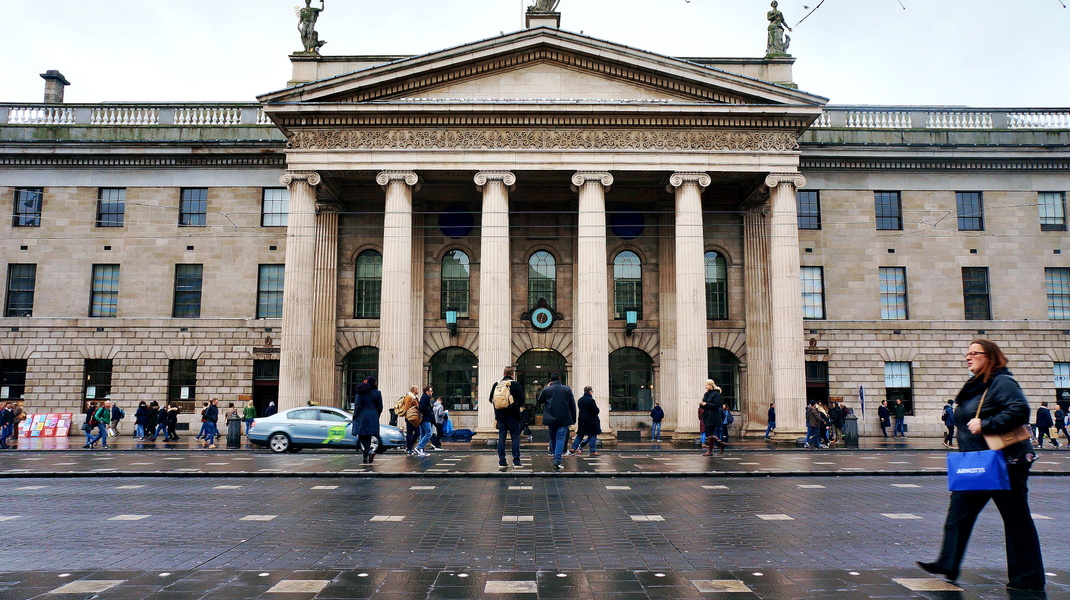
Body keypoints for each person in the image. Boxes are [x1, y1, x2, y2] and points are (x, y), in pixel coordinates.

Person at [917, 339, 1045, 592]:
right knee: (958, 514)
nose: (968, 357)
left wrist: (987, 424)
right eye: (967, 353)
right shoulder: (976, 385)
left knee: (1016, 519)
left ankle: (1028, 578)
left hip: (1005, 462)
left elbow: (1019, 410)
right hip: (976, 461)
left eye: (974, 353)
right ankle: (948, 563)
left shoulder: (1002, 382)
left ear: (990, 357)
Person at [538, 372, 576, 470]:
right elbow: (572, 405)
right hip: (564, 419)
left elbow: (539, 400)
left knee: (553, 438)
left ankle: (555, 456)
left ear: (550, 380)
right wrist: (574, 419)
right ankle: (557, 460)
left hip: (550, 419)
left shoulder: (547, 390)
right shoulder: (567, 389)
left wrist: (546, 388)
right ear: (559, 379)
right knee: (560, 439)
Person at [490, 366, 525, 471]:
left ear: (503, 374)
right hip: (513, 415)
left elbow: (490, 399)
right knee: (515, 437)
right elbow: (522, 399)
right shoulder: (515, 384)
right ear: (512, 374)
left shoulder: (496, 384)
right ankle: (516, 462)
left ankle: (502, 462)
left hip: (500, 416)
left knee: (501, 437)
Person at [351, 376, 383, 464]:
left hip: (362, 415)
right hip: (373, 415)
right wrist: (376, 415)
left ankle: (368, 451)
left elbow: (358, 405)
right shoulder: (377, 393)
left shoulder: (360, 392)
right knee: (368, 435)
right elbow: (380, 407)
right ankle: (365, 456)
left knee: (361, 435)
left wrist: (355, 415)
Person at [569, 386, 601, 456]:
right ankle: (592, 450)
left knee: (580, 434)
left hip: (582, 418)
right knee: (593, 434)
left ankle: (573, 448)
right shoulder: (591, 400)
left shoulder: (580, 400)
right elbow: (595, 410)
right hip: (591, 419)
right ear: (590, 391)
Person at [700, 380, 726, 455]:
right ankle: (721, 444)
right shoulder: (706, 394)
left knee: (710, 433)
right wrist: (702, 404)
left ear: (711, 386)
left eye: (706, 385)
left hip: (713, 416)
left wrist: (706, 404)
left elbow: (717, 405)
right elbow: (704, 404)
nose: (705, 386)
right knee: (708, 433)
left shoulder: (715, 394)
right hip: (707, 416)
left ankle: (710, 450)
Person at [397, 386, 420, 455]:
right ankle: (409, 448)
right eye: (417, 389)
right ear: (414, 390)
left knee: (416, 432)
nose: (418, 390)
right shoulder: (409, 397)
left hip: (414, 418)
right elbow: (407, 408)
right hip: (410, 418)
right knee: (410, 433)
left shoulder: (413, 397)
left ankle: (410, 446)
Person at [414, 386, 435, 456]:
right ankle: (419, 447)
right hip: (425, 418)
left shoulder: (424, 397)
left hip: (423, 418)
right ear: (427, 392)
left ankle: (421, 450)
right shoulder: (425, 397)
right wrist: (430, 413)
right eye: (431, 391)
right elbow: (423, 408)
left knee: (423, 434)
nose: (432, 392)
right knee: (429, 433)